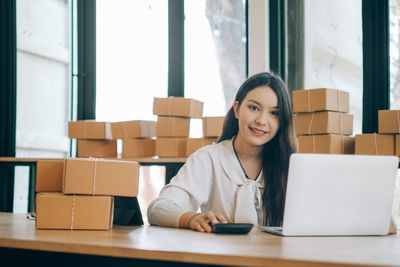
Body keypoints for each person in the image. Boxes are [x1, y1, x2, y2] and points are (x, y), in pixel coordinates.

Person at [147, 72, 297, 233]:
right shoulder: (209, 159)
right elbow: (158, 208)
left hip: (276, 257)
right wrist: (191, 218)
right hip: (222, 257)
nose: (261, 120)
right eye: (254, 108)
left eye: (274, 113)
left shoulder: (292, 165)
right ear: (237, 109)